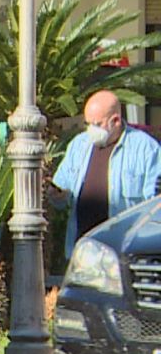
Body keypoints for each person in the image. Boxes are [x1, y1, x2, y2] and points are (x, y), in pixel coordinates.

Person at [50, 89, 161, 262]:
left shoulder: (146, 149)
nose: (90, 130)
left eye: (96, 124)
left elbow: (155, 204)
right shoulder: (79, 145)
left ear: (115, 121)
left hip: (124, 255)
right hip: (83, 253)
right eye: (87, 123)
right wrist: (57, 194)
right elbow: (60, 191)